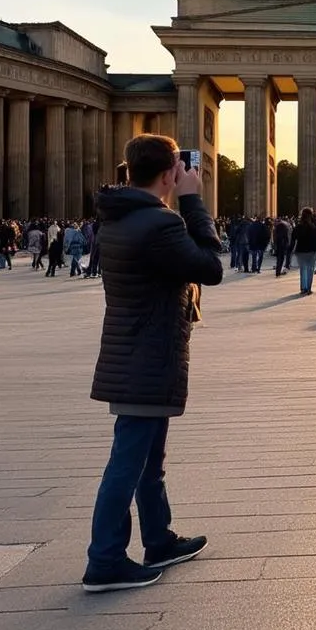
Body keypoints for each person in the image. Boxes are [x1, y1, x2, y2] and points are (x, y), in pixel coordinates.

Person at [83, 134, 223, 592]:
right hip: (146, 357)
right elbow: (210, 265)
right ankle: (105, 560)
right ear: (168, 174)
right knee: (128, 461)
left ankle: (158, 538)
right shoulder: (157, 224)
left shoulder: (120, 217)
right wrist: (192, 200)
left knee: (147, 459)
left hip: (133, 352)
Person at [292, 208, 316, 295]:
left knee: (303, 270)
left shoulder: (298, 227)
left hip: (300, 251)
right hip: (311, 251)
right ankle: (308, 288)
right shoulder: (313, 227)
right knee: (310, 270)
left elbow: (293, 238)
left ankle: (303, 288)